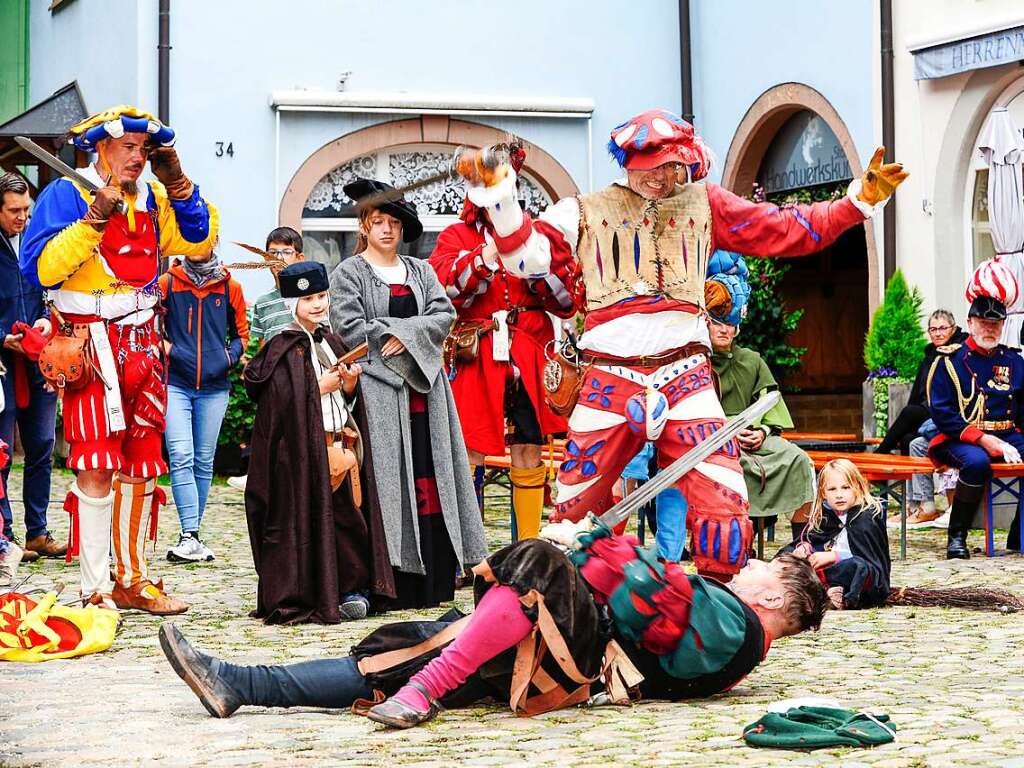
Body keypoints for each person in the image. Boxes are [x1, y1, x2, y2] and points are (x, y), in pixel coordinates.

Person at [454, 109, 906, 581]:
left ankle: (720, 607)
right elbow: (527, 259)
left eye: (670, 165)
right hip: (609, 377)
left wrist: (855, 203)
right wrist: (502, 199)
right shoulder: (582, 209)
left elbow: (781, 229)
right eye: (650, 164)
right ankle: (572, 604)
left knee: (724, 504)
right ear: (627, 161)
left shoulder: (706, 204)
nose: (661, 177)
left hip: (685, 377)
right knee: (575, 507)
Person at [157, 524, 829, 724]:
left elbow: (652, 597)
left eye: (763, 570)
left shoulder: (739, 629)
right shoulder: (735, 629)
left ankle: (422, 691)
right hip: (557, 646)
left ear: (778, 596)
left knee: (538, 560)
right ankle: (238, 683)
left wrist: (594, 544)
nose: (749, 570)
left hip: (577, 660)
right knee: (397, 654)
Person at [20, 105, 218, 613]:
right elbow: (42, 269)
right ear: (101, 148)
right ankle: (93, 586)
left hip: (143, 341)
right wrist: (93, 219)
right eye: (129, 147)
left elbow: (198, 241)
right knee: (96, 464)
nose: (138, 158)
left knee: (141, 461)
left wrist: (178, 183)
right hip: (90, 341)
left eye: (145, 150)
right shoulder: (65, 193)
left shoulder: (151, 196)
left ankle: (133, 579)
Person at [329, 180, 487, 609]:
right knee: (387, 481)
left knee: (433, 474)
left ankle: (436, 579)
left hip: (427, 391)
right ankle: (390, 583)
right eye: (377, 222)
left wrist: (403, 333)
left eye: (393, 223)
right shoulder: (350, 273)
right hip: (379, 393)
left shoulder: (421, 270)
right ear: (364, 227)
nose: (385, 230)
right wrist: (392, 340)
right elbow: (348, 327)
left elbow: (444, 314)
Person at [428, 144, 572, 541]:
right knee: (470, 448)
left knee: (528, 446)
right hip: (478, 355)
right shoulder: (456, 235)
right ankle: (468, 548)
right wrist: (484, 259)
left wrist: (533, 266)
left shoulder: (536, 235)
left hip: (528, 351)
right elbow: (445, 290)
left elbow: (566, 300)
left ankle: (526, 544)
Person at [244, 261, 391, 623]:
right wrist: (315, 388)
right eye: (308, 297)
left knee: (349, 524)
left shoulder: (331, 341)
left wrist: (349, 385)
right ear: (291, 302)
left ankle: (350, 590)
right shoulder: (283, 348)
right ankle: (317, 593)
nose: (318, 304)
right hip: (303, 456)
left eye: (322, 296)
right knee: (311, 524)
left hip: (340, 446)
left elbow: (345, 400)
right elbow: (275, 405)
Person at [706, 253, 815, 542]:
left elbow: (770, 401)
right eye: (716, 321)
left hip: (756, 440)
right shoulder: (694, 361)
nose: (723, 329)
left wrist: (764, 431)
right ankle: (736, 543)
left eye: (729, 322)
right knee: (726, 469)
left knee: (799, 460)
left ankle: (800, 547)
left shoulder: (751, 360)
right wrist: (730, 429)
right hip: (712, 441)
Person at [927, 259, 1024, 559]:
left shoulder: (1014, 361)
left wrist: (1003, 439)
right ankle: (957, 536)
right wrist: (984, 439)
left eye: (995, 324)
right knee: (978, 462)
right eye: (983, 322)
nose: (990, 329)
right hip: (959, 439)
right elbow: (943, 415)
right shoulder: (949, 360)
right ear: (970, 324)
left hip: (1007, 434)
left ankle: (1020, 536)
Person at [159, 248, 249, 563]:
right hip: (176, 383)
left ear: (213, 242)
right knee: (181, 455)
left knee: (204, 461)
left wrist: (227, 358)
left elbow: (242, 334)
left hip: (214, 387)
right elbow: (153, 325)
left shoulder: (229, 286)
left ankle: (193, 535)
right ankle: (189, 534)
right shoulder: (168, 283)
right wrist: (169, 350)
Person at [0, 172, 64, 562]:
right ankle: (4, 536)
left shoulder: (41, 242)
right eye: (13, 211)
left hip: (41, 359)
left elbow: (54, 295)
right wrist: (1, 336)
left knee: (41, 446)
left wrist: (48, 321)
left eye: (27, 209)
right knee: (2, 451)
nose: (22, 217)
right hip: (2, 364)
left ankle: (37, 533)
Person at [777, 459, 890, 610]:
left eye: (845, 488)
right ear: (823, 492)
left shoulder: (866, 517)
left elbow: (869, 557)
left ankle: (830, 592)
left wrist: (834, 556)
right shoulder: (826, 515)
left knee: (858, 566)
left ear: (858, 487)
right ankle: (823, 590)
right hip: (828, 570)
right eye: (832, 489)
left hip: (861, 578)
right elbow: (812, 538)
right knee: (787, 555)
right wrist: (805, 547)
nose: (839, 495)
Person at [875, 309, 967, 457]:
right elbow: (916, 394)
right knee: (907, 439)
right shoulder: (929, 357)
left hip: (949, 411)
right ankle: (901, 478)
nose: (938, 333)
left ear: (953, 329)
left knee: (910, 412)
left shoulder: (960, 352)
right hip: (927, 411)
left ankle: (879, 455)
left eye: (943, 328)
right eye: (933, 329)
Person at [249, 226, 306, 347]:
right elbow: (262, 351)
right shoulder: (262, 303)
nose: (279, 258)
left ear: (300, 258)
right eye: (273, 253)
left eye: (287, 252)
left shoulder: (313, 297)